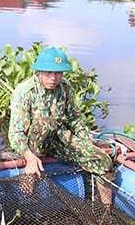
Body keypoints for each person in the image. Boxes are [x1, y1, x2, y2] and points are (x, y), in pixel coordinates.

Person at [8, 47, 113, 202]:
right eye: (48, 73)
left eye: (58, 73)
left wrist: (87, 143)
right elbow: (15, 133)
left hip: (60, 139)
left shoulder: (65, 88)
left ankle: (107, 212)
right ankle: (28, 196)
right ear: (39, 71)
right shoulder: (24, 92)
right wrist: (29, 157)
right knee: (44, 123)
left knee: (103, 160)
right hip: (34, 144)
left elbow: (75, 120)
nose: (53, 78)